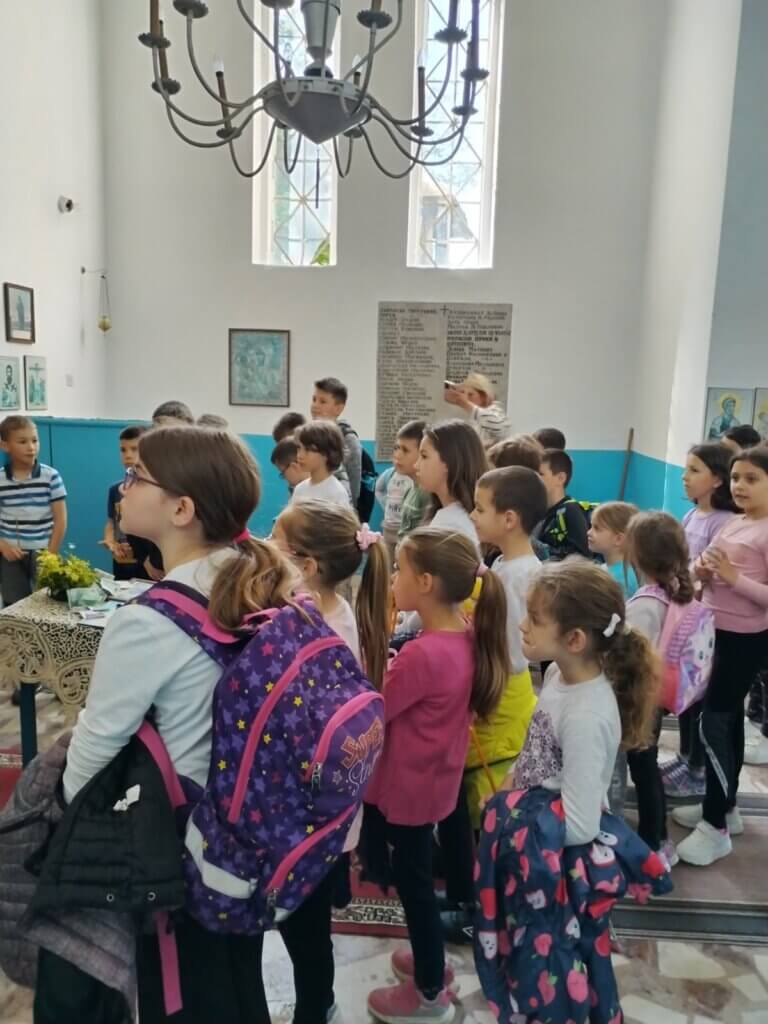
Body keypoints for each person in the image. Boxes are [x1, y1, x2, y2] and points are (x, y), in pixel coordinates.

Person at [47, 426, 338, 1024]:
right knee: (235, 981)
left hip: (181, 850)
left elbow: (94, 749)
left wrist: (63, 823)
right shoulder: (261, 578)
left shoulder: (148, 622)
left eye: (136, 477)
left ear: (181, 509)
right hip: (250, 834)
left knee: (185, 992)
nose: (123, 487)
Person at [476, 560, 665, 1024]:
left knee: (558, 968)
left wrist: (517, 818)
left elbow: (580, 824)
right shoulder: (559, 677)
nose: (522, 625)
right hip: (536, 854)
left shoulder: (587, 715)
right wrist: (510, 786)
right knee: (525, 956)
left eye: (535, 619)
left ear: (575, 639)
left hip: (558, 870)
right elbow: (538, 750)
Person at [365, 528, 508, 1024]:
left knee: (415, 888)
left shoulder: (423, 655)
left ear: (425, 582)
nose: (394, 579)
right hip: (436, 781)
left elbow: (378, 708)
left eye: (399, 571)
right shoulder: (464, 633)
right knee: (420, 878)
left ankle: (429, 992)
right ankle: (433, 961)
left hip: (408, 788)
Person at [676, 447, 768, 864]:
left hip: (743, 640)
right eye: (735, 478)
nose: (739, 486)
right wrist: (700, 571)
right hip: (713, 631)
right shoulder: (735, 522)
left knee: (714, 722)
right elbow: (700, 564)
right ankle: (725, 806)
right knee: (725, 721)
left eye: (752, 478)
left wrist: (733, 578)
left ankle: (714, 828)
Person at [468, 467, 546, 817]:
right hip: (496, 682)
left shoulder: (521, 575)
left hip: (500, 690)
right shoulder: (502, 562)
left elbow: (513, 649)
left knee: (488, 787)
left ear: (509, 519)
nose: (473, 516)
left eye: (480, 508)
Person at [664, 443, 738, 799]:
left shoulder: (724, 522)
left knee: (698, 695)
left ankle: (697, 768)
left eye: (694, 470)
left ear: (717, 480)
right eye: (685, 469)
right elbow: (684, 562)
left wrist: (689, 579)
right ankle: (685, 756)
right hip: (685, 612)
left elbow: (707, 570)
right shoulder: (693, 515)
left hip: (703, 620)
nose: (684, 477)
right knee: (684, 691)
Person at [624, 511, 697, 867]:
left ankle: (653, 842)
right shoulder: (676, 592)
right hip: (661, 694)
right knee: (647, 765)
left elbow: (630, 657)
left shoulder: (646, 604)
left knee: (643, 768)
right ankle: (659, 837)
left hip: (641, 699)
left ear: (637, 554)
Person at [272, 499, 390, 691]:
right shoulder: (333, 606)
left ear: (307, 567)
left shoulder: (320, 630)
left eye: (273, 539)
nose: (266, 545)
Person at [0, 416, 67, 606]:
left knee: (47, 602)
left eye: (35, 440)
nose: (31, 447)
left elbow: (61, 520)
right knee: (14, 605)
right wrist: (3, 546)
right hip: (10, 554)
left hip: (44, 552)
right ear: (5, 445)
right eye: (22, 442)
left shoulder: (51, 476)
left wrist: (51, 555)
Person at [417, 419, 488, 550]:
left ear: (449, 462)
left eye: (424, 456)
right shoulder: (448, 515)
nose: (416, 465)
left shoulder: (453, 525)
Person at [311, 377, 376, 519]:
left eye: (322, 401)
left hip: (340, 514)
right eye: (314, 399)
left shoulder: (348, 440)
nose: (315, 405)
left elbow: (354, 485)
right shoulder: (310, 436)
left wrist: (350, 517)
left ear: (338, 408)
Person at [103, 425, 149, 580]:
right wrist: (110, 542)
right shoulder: (115, 490)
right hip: (122, 562)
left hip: (149, 564)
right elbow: (111, 523)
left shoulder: (155, 490)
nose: (128, 455)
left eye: (134, 449)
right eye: (123, 450)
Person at [533, 448, 590, 560]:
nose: (534, 479)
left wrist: (540, 549)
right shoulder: (539, 511)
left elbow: (582, 555)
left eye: (540, 474)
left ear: (561, 478)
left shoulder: (571, 510)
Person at [588, 501, 640, 597]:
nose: (589, 532)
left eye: (597, 528)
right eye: (591, 526)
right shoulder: (605, 568)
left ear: (618, 539)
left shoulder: (622, 579)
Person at [292, 420, 351, 507]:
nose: (300, 455)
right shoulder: (300, 489)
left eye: (307, 450)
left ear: (326, 453)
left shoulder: (337, 493)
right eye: (299, 448)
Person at [443, 372, 511, 446]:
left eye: (470, 394)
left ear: (483, 396)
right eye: (464, 393)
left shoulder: (496, 411)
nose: (466, 398)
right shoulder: (473, 415)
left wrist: (465, 404)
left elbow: (498, 426)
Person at [375, 455, 414, 566]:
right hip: (388, 527)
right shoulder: (390, 473)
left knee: (403, 563)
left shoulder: (413, 476)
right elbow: (378, 488)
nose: (398, 460)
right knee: (388, 562)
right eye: (395, 457)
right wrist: (385, 504)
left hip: (405, 529)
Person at [396, 420, 430, 542]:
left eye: (405, 450)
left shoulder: (427, 496)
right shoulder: (410, 490)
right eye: (397, 448)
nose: (398, 455)